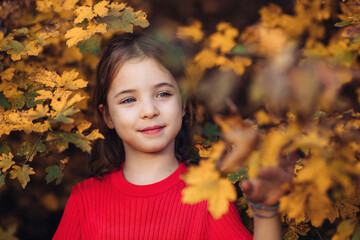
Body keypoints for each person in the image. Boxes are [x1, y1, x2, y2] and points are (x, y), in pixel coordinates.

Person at [53, 31, 295, 240]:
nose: (149, 111)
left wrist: (266, 210)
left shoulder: (207, 194)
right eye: (129, 100)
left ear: (183, 104)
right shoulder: (85, 200)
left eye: (163, 94)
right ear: (107, 117)